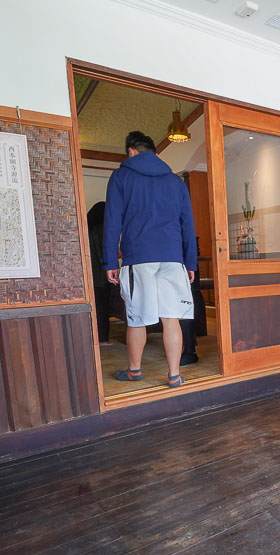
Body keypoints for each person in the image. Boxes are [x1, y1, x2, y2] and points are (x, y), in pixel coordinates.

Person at [103, 131, 197, 388]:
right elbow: (187, 224)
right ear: (155, 152)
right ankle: (175, 374)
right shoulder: (175, 182)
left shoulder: (121, 176)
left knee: (137, 318)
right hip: (173, 259)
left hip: (139, 258)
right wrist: (190, 263)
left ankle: (135, 370)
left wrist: (110, 261)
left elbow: (112, 222)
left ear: (131, 151)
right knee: (172, 318)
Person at [86, 202, 113, 345]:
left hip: (89, 274)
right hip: (101, 275)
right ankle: (102, 339)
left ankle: (95, 336)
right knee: (103, 307)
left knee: (95, 306)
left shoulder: (86, 230)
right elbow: (106, 251)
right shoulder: (103, 229)